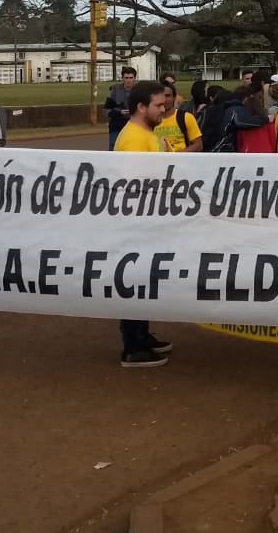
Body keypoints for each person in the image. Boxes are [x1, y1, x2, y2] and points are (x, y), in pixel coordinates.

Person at [113, 80, 174, 369]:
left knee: (145, 279)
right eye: (159, 105)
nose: (165, 109)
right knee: (135, 278)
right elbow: (136, 187)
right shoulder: (134, 139)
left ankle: (141, 334)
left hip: (151, 218)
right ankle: (132, 346)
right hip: (137, 221)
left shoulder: (148, 132)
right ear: (141, 107)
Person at [153, 82, 203, 153]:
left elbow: (198, 145)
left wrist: (178, 155)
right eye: (161, 96)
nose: (165, 99)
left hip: (181, 161)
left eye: (168, 96)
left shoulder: (186, 117)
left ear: (174, 97)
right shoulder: (151, 119)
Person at [103, 67, 137, 150]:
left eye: (131, 78)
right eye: (126, 78)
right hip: (117, 126)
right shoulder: (114, 90)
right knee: (113, 148)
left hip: (134, 125)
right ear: (122, 78)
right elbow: (105, 111)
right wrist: (120, 112)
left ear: (134, 78)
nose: (128, 80)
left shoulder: (139, 90)